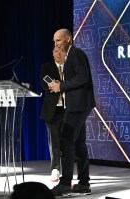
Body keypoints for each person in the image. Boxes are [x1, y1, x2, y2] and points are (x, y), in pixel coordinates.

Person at [49, 28, 96, 197]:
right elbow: (77, 79)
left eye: (59, 40)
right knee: (78, 144)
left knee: (66, 141)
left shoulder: (76, 54)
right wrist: (60, 83)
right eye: (54, 41)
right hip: (79, 104)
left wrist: (61, 86)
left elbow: (82, 77)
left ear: (68, 39)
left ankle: (65, 184)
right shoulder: (71, 56)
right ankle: (84, 184)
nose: (56, 44)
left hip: (78, 105)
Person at [40, 47, 66, 182]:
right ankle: (55, 169)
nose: (58, 53)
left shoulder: (70, 67)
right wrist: (54, 85)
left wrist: (61, 85)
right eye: (55, 51)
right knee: (54, 140)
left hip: (69, 109)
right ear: (52, 53)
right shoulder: (46, 67)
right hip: (53, 110)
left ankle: (68, 171)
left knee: (68, 141)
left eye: (61, 51)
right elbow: (44, 84)